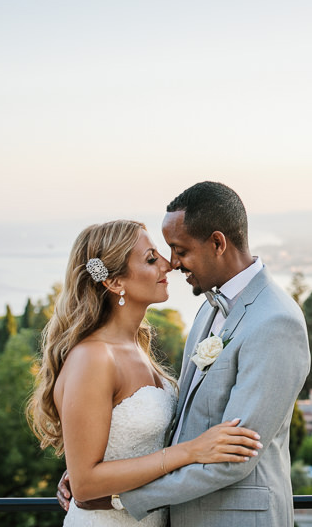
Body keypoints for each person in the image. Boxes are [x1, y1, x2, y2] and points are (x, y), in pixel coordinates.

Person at [58, 181, 311, 526]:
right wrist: (91, 473)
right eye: (157, 255)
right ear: (114, 283)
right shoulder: (207, 310)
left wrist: (116, 496)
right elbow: (178, 430)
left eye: (179, 250)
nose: (172, 263)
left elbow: (235, 455)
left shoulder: (276, 320)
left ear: (218, 243)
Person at [28, 219, 262, 527]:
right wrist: (191, 451)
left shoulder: (136, 347)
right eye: (151, 259)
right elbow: (85, 485)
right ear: (114, 282)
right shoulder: (93, 358)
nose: (168, 264)